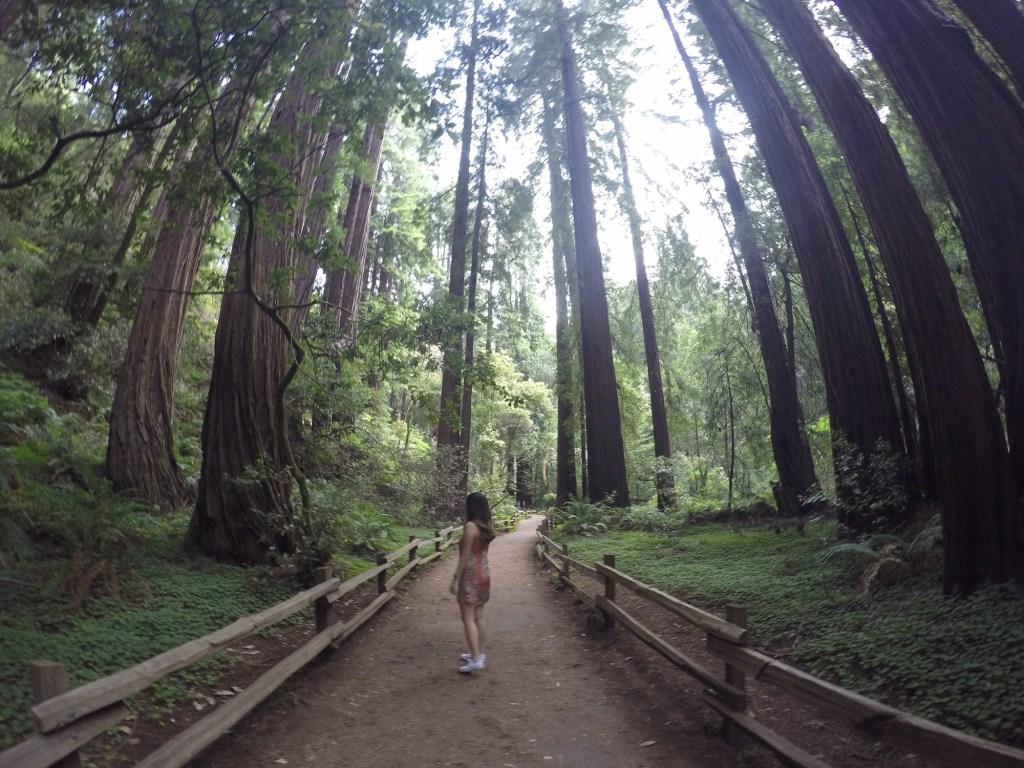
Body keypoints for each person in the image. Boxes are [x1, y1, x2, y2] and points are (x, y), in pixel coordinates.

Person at [449, 491, 494, 673]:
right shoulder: (487, 525)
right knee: (479, 616)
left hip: (470, 575)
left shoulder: (470, 527)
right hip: (485, 572)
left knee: (467, 617)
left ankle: (475, 659)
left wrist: (455, 578)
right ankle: (478, 653)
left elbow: (465, 555)